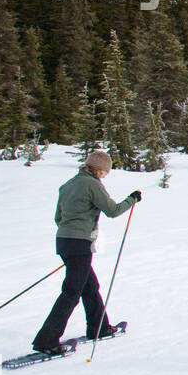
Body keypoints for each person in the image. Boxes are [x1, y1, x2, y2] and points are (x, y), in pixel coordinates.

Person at [31, 150, 140, 356]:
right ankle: (46, 340)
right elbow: (113, 210)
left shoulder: (68, 185)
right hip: (79, 244)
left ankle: (99, 327)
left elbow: (58, 217)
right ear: (98, 169)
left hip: (64, 241)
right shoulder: (92, 185)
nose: (105, 175)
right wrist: (132, 199)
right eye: (105, 172)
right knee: (71, 292)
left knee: (89, 286)